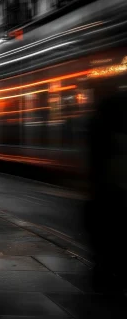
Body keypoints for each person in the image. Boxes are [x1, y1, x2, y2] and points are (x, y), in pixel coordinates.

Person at [85, 88, 127, 294]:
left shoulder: (98, 129)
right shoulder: (115, 136)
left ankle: (104, 272)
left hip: (104, 194)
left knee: (105, 238)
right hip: (113, 193)